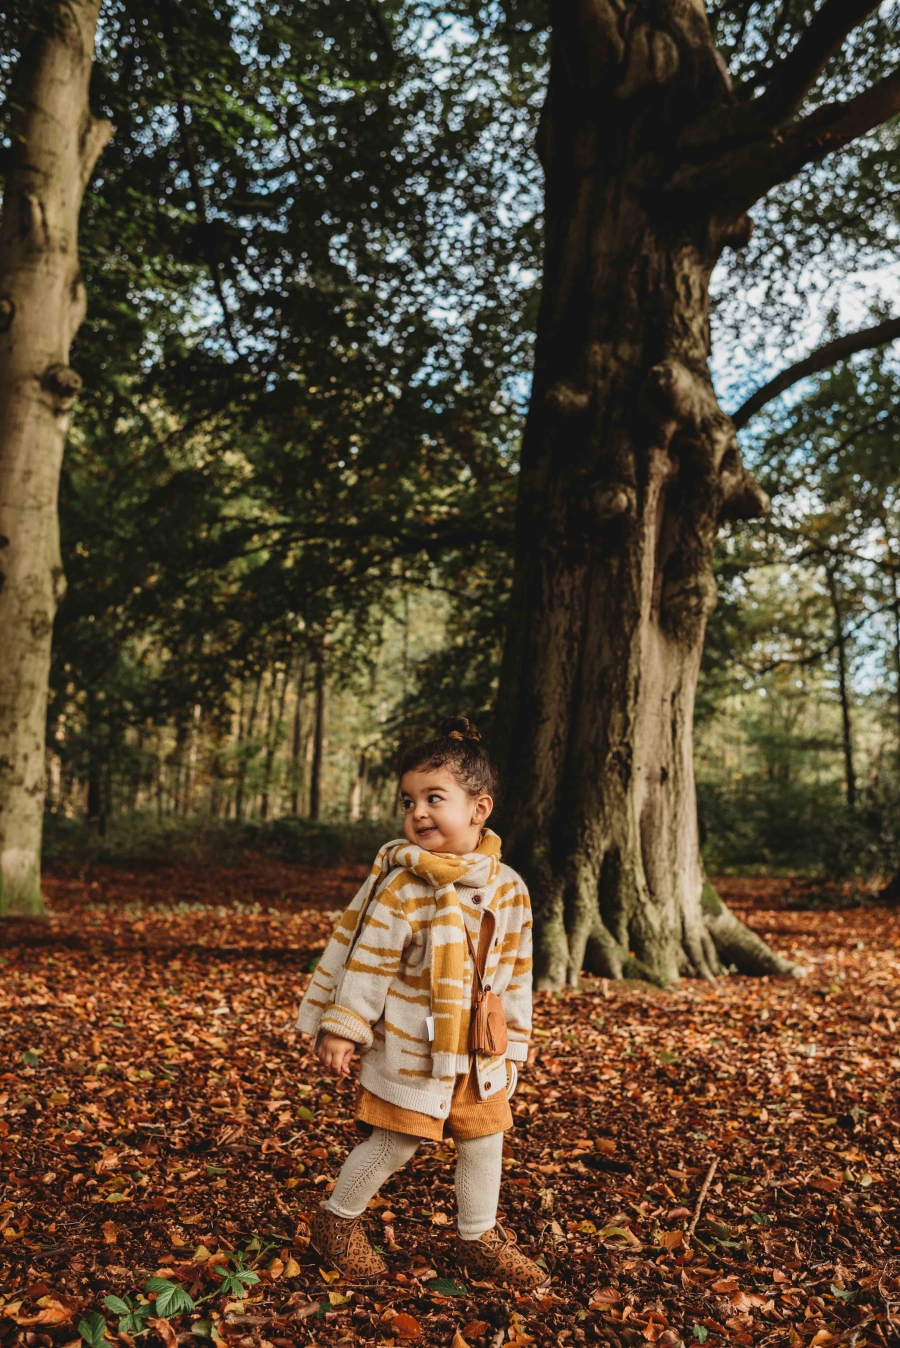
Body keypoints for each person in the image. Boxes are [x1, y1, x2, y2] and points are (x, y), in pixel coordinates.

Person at [296, 715, 547, 1288]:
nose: (419, 813)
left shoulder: (509, 887)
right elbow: (370, 960)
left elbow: (517, 974)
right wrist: (345, 1025)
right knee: (396, 1139)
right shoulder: (405, 886)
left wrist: (515, 1045)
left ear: (478, 810)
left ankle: (478, 1237)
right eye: (409, 801)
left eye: (435, 798)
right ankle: (336, 1223)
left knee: (486, 1141)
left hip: (480, 1049)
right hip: (415, 1046)